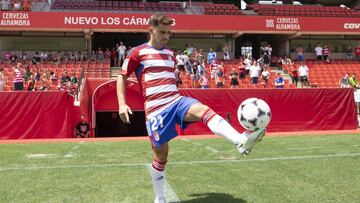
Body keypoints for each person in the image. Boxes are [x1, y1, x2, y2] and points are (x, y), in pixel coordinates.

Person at [117, 13, 265, 203]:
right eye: (161, 32)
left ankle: (240, 140)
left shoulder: (170, 54)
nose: (165, 36)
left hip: (176, 100)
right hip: (156, 111)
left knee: (203, 110)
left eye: (168, 33)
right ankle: (160, 197)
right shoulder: (137, 53)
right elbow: (121, 76)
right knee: (161, 155)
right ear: (150, 31)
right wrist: (122, 103)